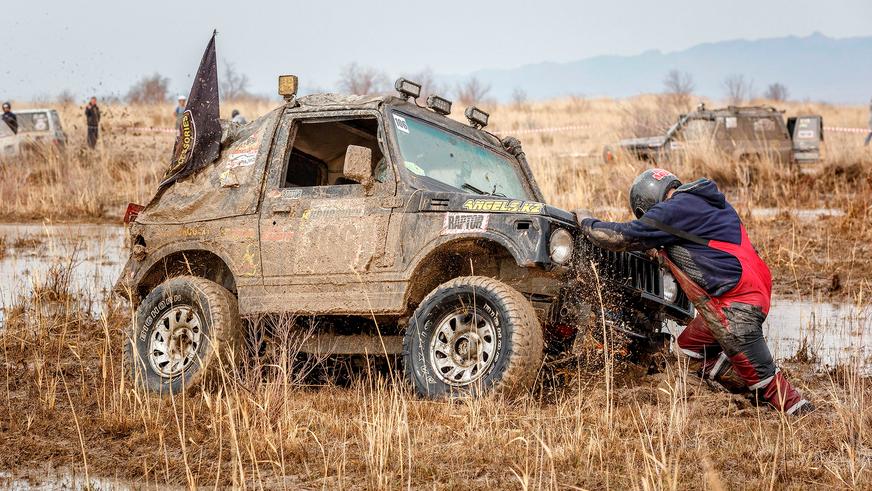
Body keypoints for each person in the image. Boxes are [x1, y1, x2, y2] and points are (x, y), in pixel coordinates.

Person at [577, 168, 813, 415]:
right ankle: (738, 380)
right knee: (688, 349)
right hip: (751, 288)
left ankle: (803, 415)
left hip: (735, 302)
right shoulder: (705, 203)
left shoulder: (673, 210)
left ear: (647, 204)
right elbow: (700, 250)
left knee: (766, 382)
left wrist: (586, 221)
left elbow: (618, 237)